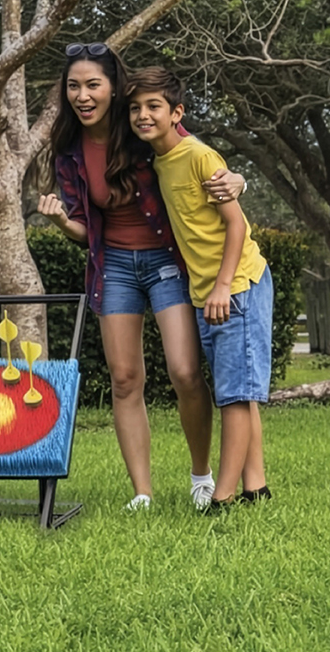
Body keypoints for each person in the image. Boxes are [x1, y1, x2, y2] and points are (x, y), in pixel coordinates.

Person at [37, 42, 244, 511]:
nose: (83, 95)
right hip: (113, 268)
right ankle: (142, 492)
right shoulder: (69, 151)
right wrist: (58, 221)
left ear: (114, 88)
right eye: (74, 86)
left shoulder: (143, 129)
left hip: (167, 262)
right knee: (126, 378)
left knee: (186, 372)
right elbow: (84, 230)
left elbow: (196, 157)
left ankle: (201, 478)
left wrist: (238, 180)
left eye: (93, 85)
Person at [124, 66, 272, 512]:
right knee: (237, 389)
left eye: (154, 107)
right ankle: (256, 488)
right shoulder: (159, 161)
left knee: (234, 394)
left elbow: (236, 224)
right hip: (205, 290)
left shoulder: (199, 157)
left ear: (177, 113)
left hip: (237, 285)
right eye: (135, 108)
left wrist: (224, 285)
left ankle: (223, 499)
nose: (143, 115)